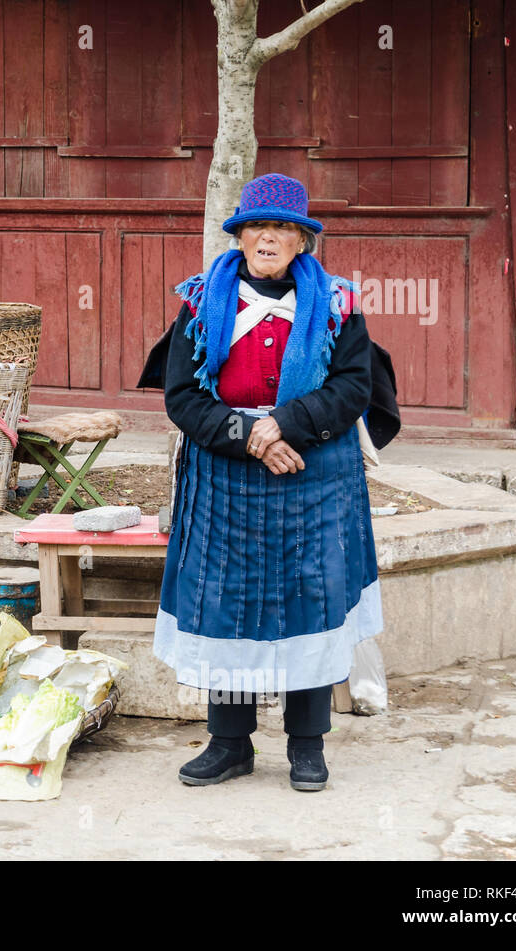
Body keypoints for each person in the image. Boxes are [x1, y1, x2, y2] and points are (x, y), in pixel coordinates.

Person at [142, 173, 388, 792]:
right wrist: (246, 435)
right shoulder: (202, 303)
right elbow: (182, 396)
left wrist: (282, 425)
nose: (268, 238)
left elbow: (353, 387)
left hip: (315, 471)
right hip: (225, 473)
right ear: (240, 236)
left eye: (283, 228)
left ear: (304, 241)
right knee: (226, 602)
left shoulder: (337, 305)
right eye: (257, 226)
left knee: (311, 599)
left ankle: (308, 746)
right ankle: (229, 744)